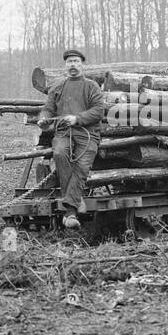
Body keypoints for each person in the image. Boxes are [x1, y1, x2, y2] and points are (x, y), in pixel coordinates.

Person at [36, 48, 106, 229]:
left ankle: (70, 211)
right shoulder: (57, 87)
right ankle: (74, 205)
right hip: (63, 133)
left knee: (82, 166)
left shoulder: (91, 86)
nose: (73, 65)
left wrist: (77, 118)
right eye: (69, 62)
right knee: (59, 153)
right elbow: (48, 108)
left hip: (87, 134)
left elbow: (98, 110)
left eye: (76, 61)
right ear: (65, 65)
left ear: (82, 65)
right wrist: (43, 119)